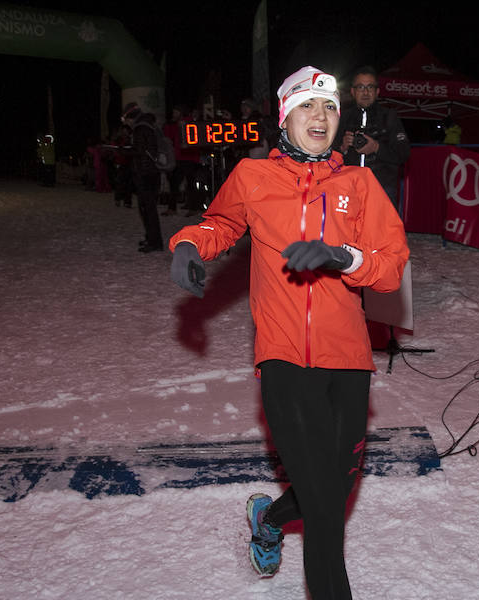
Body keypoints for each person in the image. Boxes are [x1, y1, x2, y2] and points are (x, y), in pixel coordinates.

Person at [168, 66, 409, 599]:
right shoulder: (253, 176)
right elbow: (220, 223)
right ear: (285, 117)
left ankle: (270, 519)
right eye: (307, 105)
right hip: (284, 356)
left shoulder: (360, 184)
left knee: (335, 487)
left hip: (348, 358)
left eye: (329, 107)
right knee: (325, 509)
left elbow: (391, 266)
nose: (320, 116)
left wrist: (344, 257)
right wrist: (189, 244)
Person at [335, 66, 411, 212]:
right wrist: (342, 148)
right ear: (353, 91)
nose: (365, 92)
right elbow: (327, 154)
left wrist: (376, 147)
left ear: (377, 92)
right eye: (360, 87)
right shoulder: (342, 118)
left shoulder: (389, 117)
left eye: (370, 87)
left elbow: (403, 153)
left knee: (383, 226)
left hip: (382, 187)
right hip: (348, 187)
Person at [121, 102, 164, 253]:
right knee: (147, 208)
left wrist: (124, 151)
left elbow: (140, 151)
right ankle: (152, 238)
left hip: (145, 173)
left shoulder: (140, 128)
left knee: (147, 209)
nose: (126, 123)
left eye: (126, 119)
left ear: (130, 117)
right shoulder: (148, 125)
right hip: (151, 172)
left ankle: (154, 242)